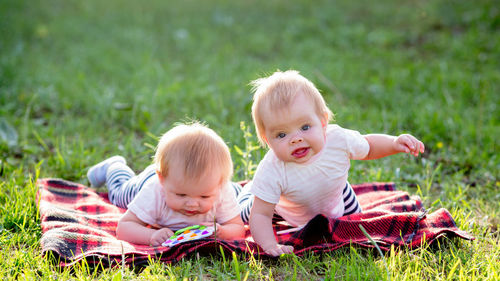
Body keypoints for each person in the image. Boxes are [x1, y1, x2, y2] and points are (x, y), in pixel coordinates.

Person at [237, 70, 425, 256]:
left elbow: (368, 146)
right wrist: (270, 246)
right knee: (247, 213)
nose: (296, 139)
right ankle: (246, 192)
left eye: (305, 127)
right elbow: (261, 215)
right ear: (267, 140)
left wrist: (394, 143)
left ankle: (345, 220)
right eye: (281, 134)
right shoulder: (272, 169)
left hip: (337, 195)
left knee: (356, 226)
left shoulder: (338, 139)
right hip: (286, 209)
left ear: (323, 122)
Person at [86, 122, 246, 246]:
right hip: (143, 184)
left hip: (209, 186)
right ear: (162, 179)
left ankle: (245, 189)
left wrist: (223, 232)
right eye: (181, 194)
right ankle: (114, 166)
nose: (191, 204)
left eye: (204, 196)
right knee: (120, 195)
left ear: (219, 185)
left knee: (237, 195)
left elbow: (238, 229)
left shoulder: (221, 190)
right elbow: (124, 228)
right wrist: (151, 236)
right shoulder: (154, 191)